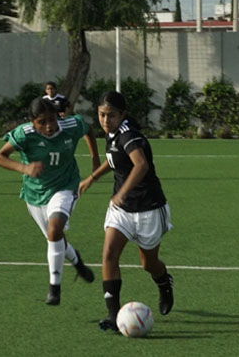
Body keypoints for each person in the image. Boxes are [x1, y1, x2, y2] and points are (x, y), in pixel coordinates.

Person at [78, 91, 174, 332]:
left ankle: (164, 283)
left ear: (123, 114)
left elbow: (140, 165)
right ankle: (113, 315)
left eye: (111, 115)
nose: (105, 120)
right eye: (101, 114)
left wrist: (122, 192)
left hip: (149, 208)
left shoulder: (128, 134)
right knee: (109, 254)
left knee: (148, 263)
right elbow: (113, 161)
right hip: (121, 210)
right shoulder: (111, 134)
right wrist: (92, 177)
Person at [0, 97, 100, 305]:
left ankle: (54, 287)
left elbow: (88, 130)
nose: (49, 126)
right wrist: (24, 168)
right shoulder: (24, 134)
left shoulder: (71, 125)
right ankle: (76, 261)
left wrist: (95, 158)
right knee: (55, 237)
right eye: (42, 122)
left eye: (52, 120)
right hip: (34, 194)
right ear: (32, 121)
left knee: (54, 230)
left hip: (65, 187)